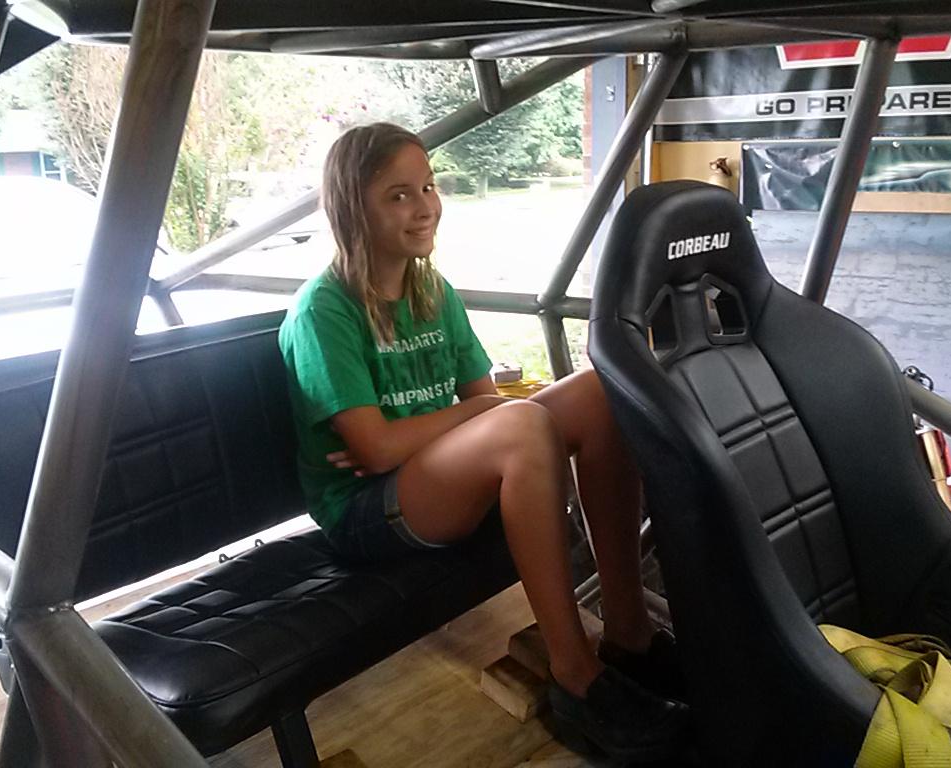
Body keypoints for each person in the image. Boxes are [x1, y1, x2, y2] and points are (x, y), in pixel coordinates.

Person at [278, 122, 686, 761]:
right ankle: (574, 674)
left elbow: (475, 405)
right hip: (365, 509)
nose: (425, 207)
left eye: (428, 187)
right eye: (398, 195)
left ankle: (628, 633)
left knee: (596, 392)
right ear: (352, 207)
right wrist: (465, 417)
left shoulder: (431, 291)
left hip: (427, 477)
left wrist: (452, 422)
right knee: (519, 426)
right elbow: (380, 450)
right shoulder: (324, 311)